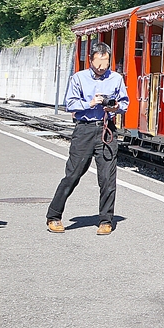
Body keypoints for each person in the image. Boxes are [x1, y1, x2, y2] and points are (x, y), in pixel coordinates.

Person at [46, 42, 129, 235]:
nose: (101, 68)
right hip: (84, 130)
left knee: (107, 178)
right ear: (90, 60)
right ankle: (54, 216)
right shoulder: (78, 78)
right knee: (73, 174)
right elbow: (70, 104)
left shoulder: (116, 78)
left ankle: (106, 220)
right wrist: (91, 102)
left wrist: (115, 107)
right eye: (98, 63)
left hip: (107, 129)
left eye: (105, 63)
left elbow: (124, 102)